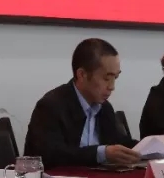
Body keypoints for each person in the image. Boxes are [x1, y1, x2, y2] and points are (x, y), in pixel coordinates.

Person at [24, 38, 139, 168]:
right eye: (106, 78)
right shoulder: (51, 106)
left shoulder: (104, 108)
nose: (112, 86)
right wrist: (101, 153)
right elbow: (50, 156)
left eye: (115, 78)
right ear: (82, 74)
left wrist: (148, 146)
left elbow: (119, 142)